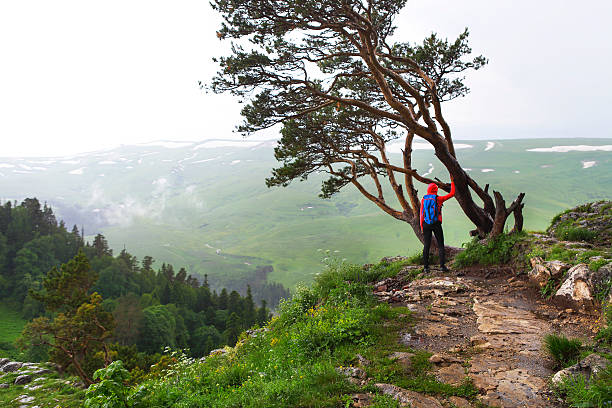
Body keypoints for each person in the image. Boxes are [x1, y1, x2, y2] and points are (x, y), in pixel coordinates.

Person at [420, 178, 455, 273]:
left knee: (426, 245)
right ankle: (442, 266)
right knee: (440, 245)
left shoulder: (423, 199)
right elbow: (452, 194)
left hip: (426, 224)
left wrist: (422, 227)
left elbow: (421, 214)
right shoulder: (438, 199)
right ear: (435, 190)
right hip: (436, 224)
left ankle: (426, 267)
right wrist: (452, 182)